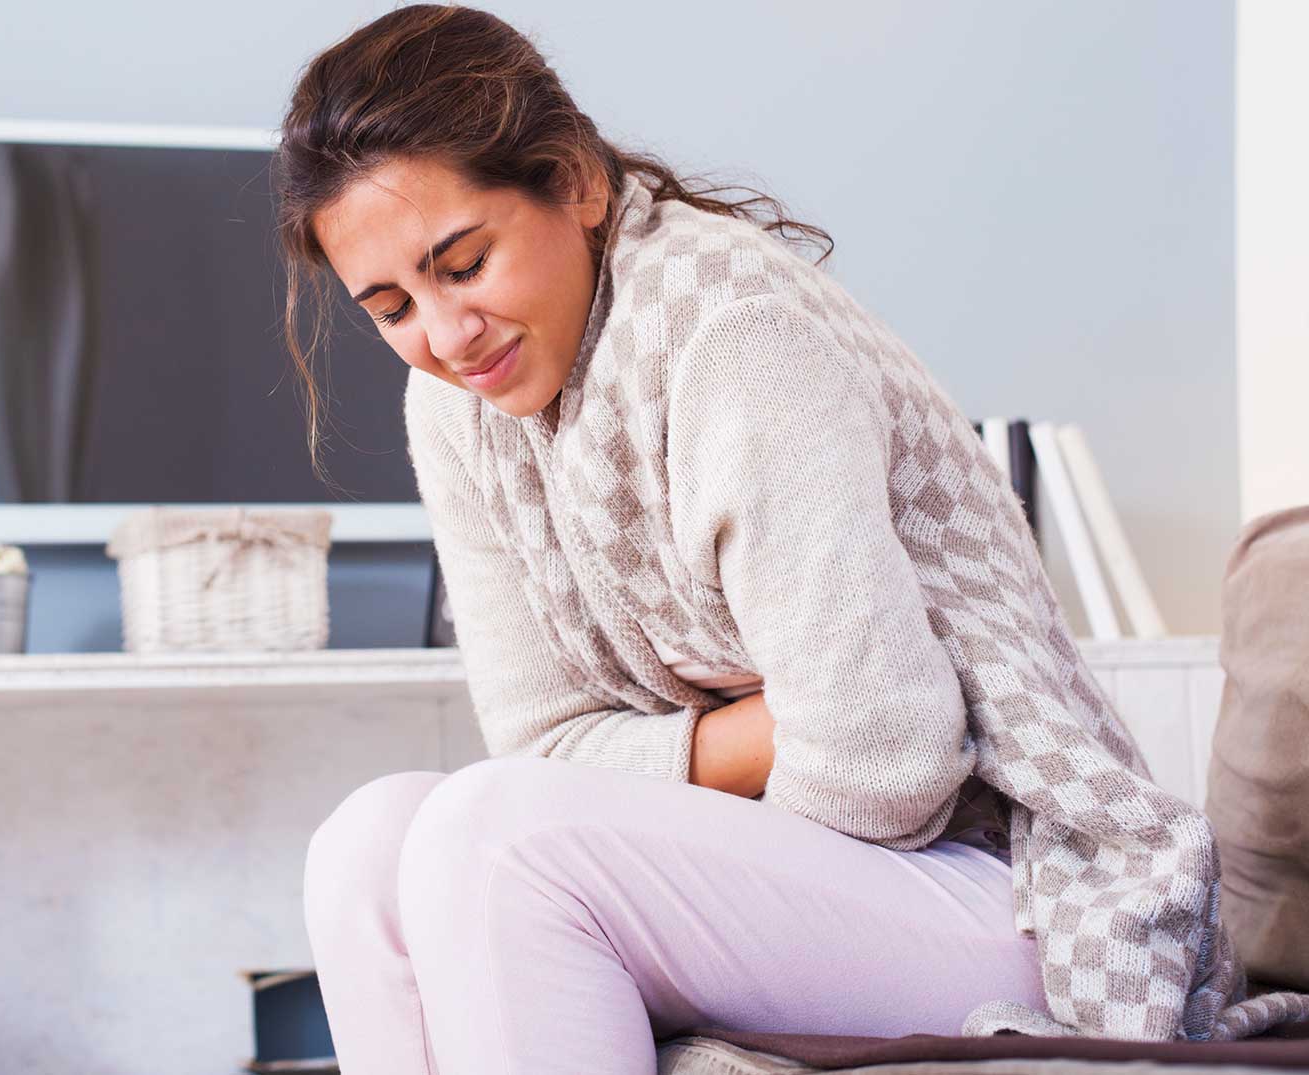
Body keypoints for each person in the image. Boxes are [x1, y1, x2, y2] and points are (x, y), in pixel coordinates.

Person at [270, 6, 1307, 1071]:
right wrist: (769, 723)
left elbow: (880, 769)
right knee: (366, 844)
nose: (443, 337)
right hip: (820, 848)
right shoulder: (453, 405)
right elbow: (542, 742)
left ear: (576, 181)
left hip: (1019, 888)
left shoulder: (732, 335)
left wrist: (683, 789)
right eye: (392, 306)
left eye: (466, 263)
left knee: (494, 837)